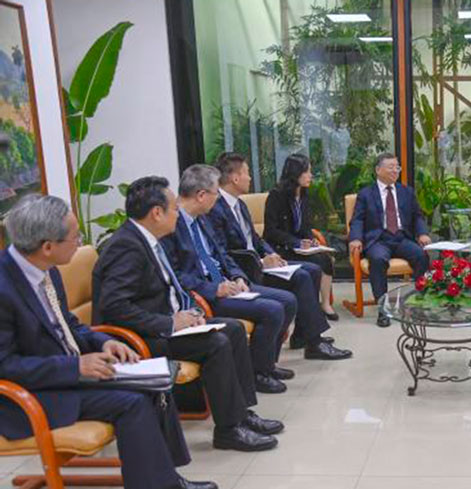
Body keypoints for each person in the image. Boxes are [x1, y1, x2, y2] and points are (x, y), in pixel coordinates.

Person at [0, 195, 213, 489]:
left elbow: (69, 325)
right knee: (130, 403)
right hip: (28, 395)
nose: (81, 243)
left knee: (157, 376)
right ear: (47, 245)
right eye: (75, 237)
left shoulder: (45, 271)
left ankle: (166, 480)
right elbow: (5, 366)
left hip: (63, 376)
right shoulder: (4, 286)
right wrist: (75, 368)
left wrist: (102, 343)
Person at [93, 176, 284, 452]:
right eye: (173, 208)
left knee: (232, 329)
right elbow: (114, 308)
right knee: (216, 343)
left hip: (169, 321)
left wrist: (188, 313)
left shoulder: (147, 239)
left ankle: (241, 414)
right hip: (141, 337)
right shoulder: (126, 246)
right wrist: (170, 322)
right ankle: (228, 430)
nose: (177, 214)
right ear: (156, 213)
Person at [161, 165, 297, 394]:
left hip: (228, 283)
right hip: (206, 294)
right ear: (201, 195)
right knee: (272, 310)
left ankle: (265, 364)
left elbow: (222, 253)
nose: (218, 199)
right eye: (215, 193)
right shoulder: (171, 226)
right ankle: (257, 374)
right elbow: (177, 275)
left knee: (288, 300)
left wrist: (238, 276)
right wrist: (215, 289)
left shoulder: (202, 219)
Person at [209, 153, 351, 358]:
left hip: (263, 260)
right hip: (246, 271)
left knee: (312, 269)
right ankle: (315, 343)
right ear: (235, 178)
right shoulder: (216, 210)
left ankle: (303, 335)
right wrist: (261, 261)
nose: (251, 178)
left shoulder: (238, 204)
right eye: (247, 173)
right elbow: (223, 253)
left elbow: (256, 240)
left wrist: (270, 254)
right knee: (302, 275)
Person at [349, 152, 432, 327]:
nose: (396, 171)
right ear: (378, 170)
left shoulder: (406, 192)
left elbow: (417, 216)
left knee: (421, 256)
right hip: (378, 239)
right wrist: (355, 238)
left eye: (397, 167)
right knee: (378, 260)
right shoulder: (366, 194)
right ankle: (383, 308)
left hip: (402, 238)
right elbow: (357, 219)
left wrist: (423, 233)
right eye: (391, 167)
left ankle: (416, 302)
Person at [262, 153, 338, 319]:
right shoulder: (277, 195)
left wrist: (310, 239)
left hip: (298, 247)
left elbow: (304, 225)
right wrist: (296, 242)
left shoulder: (303, 194)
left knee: (324, 259)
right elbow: (270, 231)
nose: (311, 175)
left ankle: (325, 304)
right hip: (280, 248)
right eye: (307, 172)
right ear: (296, 173)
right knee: (314, 266)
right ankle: (310, 308)